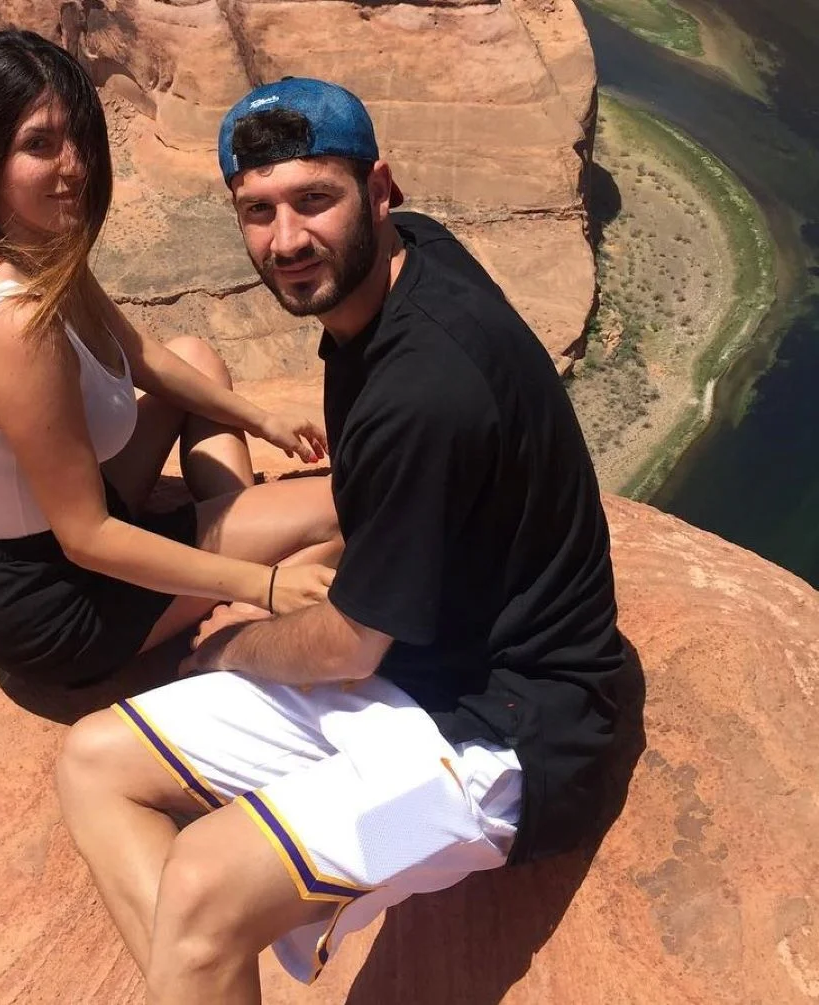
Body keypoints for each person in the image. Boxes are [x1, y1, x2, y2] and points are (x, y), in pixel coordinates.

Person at [56, 78, 628, 1002]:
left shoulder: (425, 390)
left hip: (494, 763)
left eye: (313, 200)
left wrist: (228, 649)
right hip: (400, 677)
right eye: (258, 211)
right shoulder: (403, 265)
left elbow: (345, 644)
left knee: (204, 887)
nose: (286, 240)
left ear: (379, 190)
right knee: (93, 765)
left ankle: (211, 948)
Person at [0, 33, 342, 691]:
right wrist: (265, 583)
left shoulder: (16, 250)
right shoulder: (16, 327)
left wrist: (262, 420)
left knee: (194, 358)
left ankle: (236, 529)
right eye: (39, 144)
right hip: (58, 599)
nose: (76, 164)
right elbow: (87, 538)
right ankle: (233, 626)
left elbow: (137, 354)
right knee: (343, 511)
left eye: (79, 136)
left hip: (16, 542)